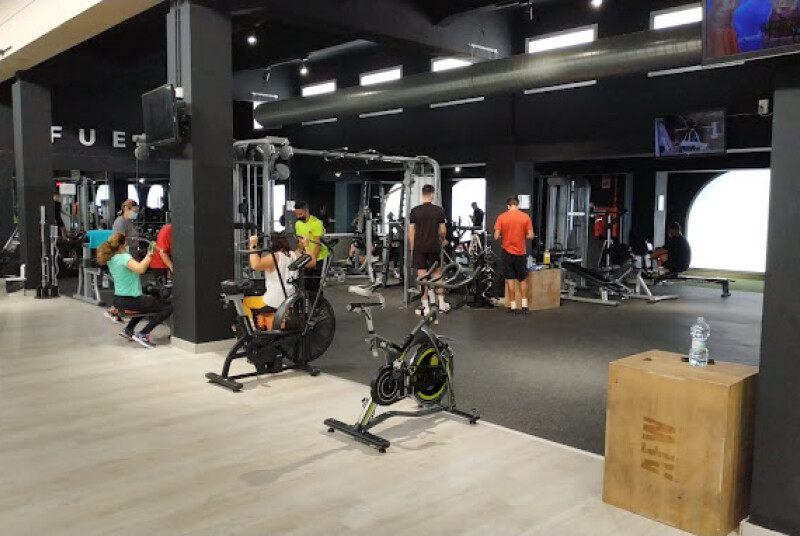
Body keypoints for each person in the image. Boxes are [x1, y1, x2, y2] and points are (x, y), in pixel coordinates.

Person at [96, 233, 172, 349]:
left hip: (119, 300)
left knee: (146, 304)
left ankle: (128, 329)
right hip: (130, 300)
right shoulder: (124, 258)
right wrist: (150, 253)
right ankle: (143, 334)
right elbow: (141, 269)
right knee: (167, 307)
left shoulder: (111, 259)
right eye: (126, 242)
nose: (128, 244)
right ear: (121, 245)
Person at [245, 233, 309, 330]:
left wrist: (253, 245)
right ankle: (261, 325)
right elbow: (311, 261)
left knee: (246, 302)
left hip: (274, 301)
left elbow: (255, 265)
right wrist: (304, 246)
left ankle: (252, 330)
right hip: (289, 299)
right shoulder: (294, 255)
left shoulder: (274, 257)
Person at [409, 184, 448, 316]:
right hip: (434, 246)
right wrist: (443, 240)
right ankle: (441, 304)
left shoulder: (415, 211)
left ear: (422, 194)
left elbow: (411, 232)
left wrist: (412, 249)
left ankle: (425, 307)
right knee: (437, 274)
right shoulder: (439, 211)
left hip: (419, 246)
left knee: (422, 276)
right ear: (432, 194)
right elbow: (443, 230)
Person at [494, 197, 534, 315]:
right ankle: (524, 306)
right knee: (522, 279)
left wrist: (504, 236)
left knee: (510, 279)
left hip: (507, 252)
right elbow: (531, 236)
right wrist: (522, 236)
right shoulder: (525, 217)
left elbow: (496, 236)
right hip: (521, 252)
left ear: (508, 205)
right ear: (518, 205)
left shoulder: (502, 217)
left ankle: (513, 306)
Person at [294, 200, 328, 292]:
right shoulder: (298, 224)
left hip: (319, 257)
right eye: (297, 214)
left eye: (300, 214)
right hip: (306, 256)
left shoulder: (316, 223)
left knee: (315, 284)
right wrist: (298, 255)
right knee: (305, 284)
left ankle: (318, 301)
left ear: (306, 211)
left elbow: (317, 244)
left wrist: (313, 261)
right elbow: (300, 241)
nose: (298, 216)